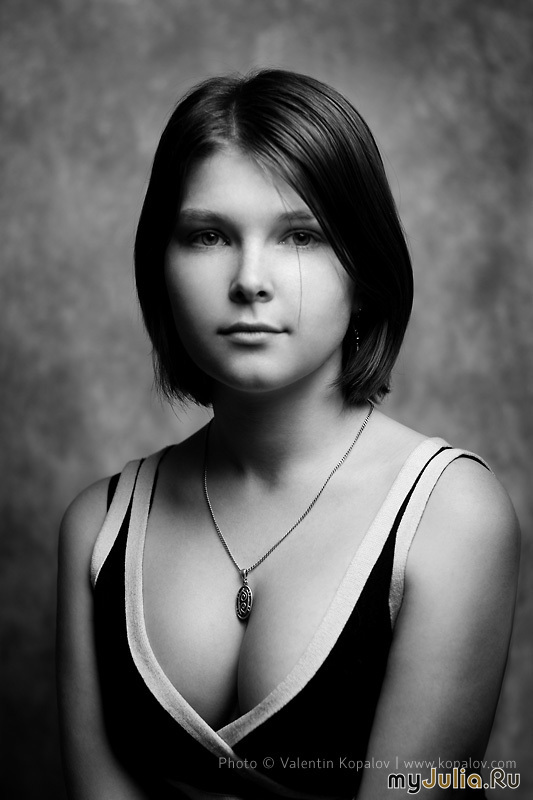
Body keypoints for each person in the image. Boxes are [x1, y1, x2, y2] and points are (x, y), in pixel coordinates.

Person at [56, 69, 520, 799]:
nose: (250, 280)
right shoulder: (97, 527)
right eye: (208, 235)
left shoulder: (451, 515)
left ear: (363, 269)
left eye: (300, 236)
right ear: (160, 266)